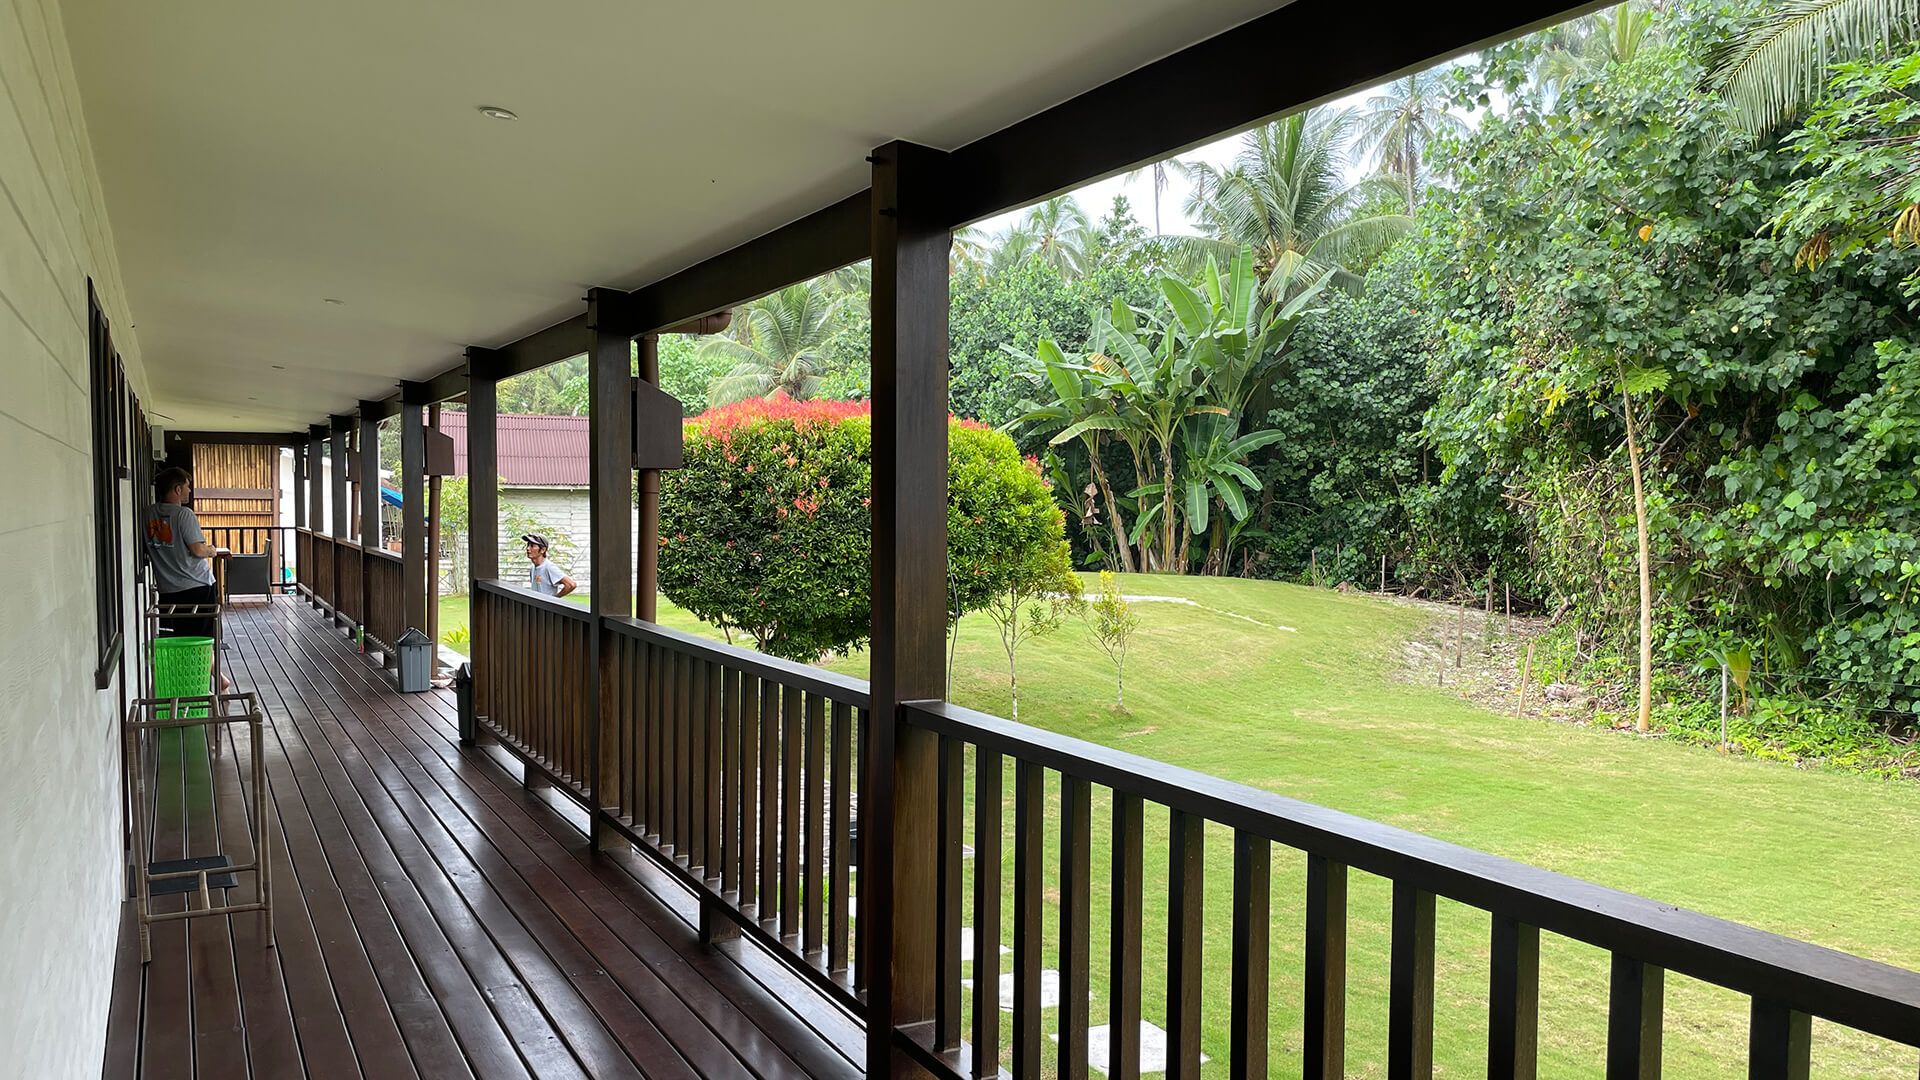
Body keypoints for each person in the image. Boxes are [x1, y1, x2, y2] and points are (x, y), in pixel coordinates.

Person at [522, 533, 576, 598]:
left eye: (532, 546)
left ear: (543, 550)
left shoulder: (549, 567)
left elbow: (571, 585)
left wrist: (555, 598)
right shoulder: (533, 567)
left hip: (546, 604)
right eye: (528, 545)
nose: (528, 548)